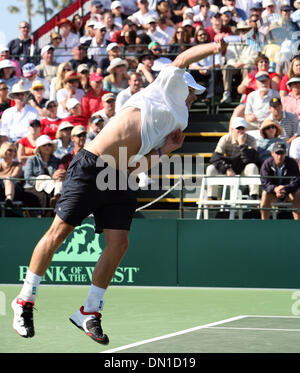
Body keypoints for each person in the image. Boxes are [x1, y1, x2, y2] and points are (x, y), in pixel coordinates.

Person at [11, 37, 223, 343]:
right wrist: (216, 47)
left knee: (119, 243)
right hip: (91, 165)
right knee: (59, 232)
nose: (194, 98)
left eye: (196, 95)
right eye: (192, 91)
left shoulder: (180, 119)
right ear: (180, 86)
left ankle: (89, 311)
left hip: (122, 176)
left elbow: (139, 165)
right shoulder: (163, 87)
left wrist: (166, 151)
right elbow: (183, 58)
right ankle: (24, 301)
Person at [206, 117, 261, 200]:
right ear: (232, 129)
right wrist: (227, 168)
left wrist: (242, 144)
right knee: (210, 169)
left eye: (242, 128)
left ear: (246, 129)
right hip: (229, 168)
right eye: (238, 128)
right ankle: (212, 198)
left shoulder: (251, 140)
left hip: (243, 169)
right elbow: (214, 158)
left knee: (252, 167)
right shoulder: (225, 139)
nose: (240, 131)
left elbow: (250, 160)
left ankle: (254, 196)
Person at [22, 135, 62, 217]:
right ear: (39, 148)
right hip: (32, 187)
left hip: (52, 187)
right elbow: (28, 178)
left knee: (55, 192)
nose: (47, 147)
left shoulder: (57, 160)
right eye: (44, 145)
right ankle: (44, 217)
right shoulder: (31, 160)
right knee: (44, 195)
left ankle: (54, 216)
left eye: (49, 145)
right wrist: (42, 181)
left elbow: (58, 176)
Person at [220, 20, 258, 104]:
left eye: (244, 30)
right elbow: (229, 56)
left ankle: (245, 93)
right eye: (240, 30)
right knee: (227, 67)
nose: (242, 32)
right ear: (238, 32)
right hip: (234, 65)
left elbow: (253, 58)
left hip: (246, 65)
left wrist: (242, 63)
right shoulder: (232, 43)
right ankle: (227, 92)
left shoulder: (254, 43)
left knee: (247, 67)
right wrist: (234, 64)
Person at [260, 141, 300, 220]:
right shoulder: (267, 163)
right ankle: (264, 224)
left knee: (298, 194)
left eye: (282, 153)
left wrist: (284, 188)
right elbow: (265, 182)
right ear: (272, 153)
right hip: (273, 192)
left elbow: (296, 182)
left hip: (289, 192)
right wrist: (275, 189)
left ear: (285, 154)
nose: (279, 156)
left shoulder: (292, 163)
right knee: (265, 194)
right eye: (277, 153)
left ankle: (297, 223)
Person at [0, 142, 23, 208]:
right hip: (1, 188)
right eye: (10, 150)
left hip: (15, 189)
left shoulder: (18, 165)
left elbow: (13, 175)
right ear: (3, 150)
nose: (12, 152)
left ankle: (9, 199)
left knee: (8, 179)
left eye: (14, 151)